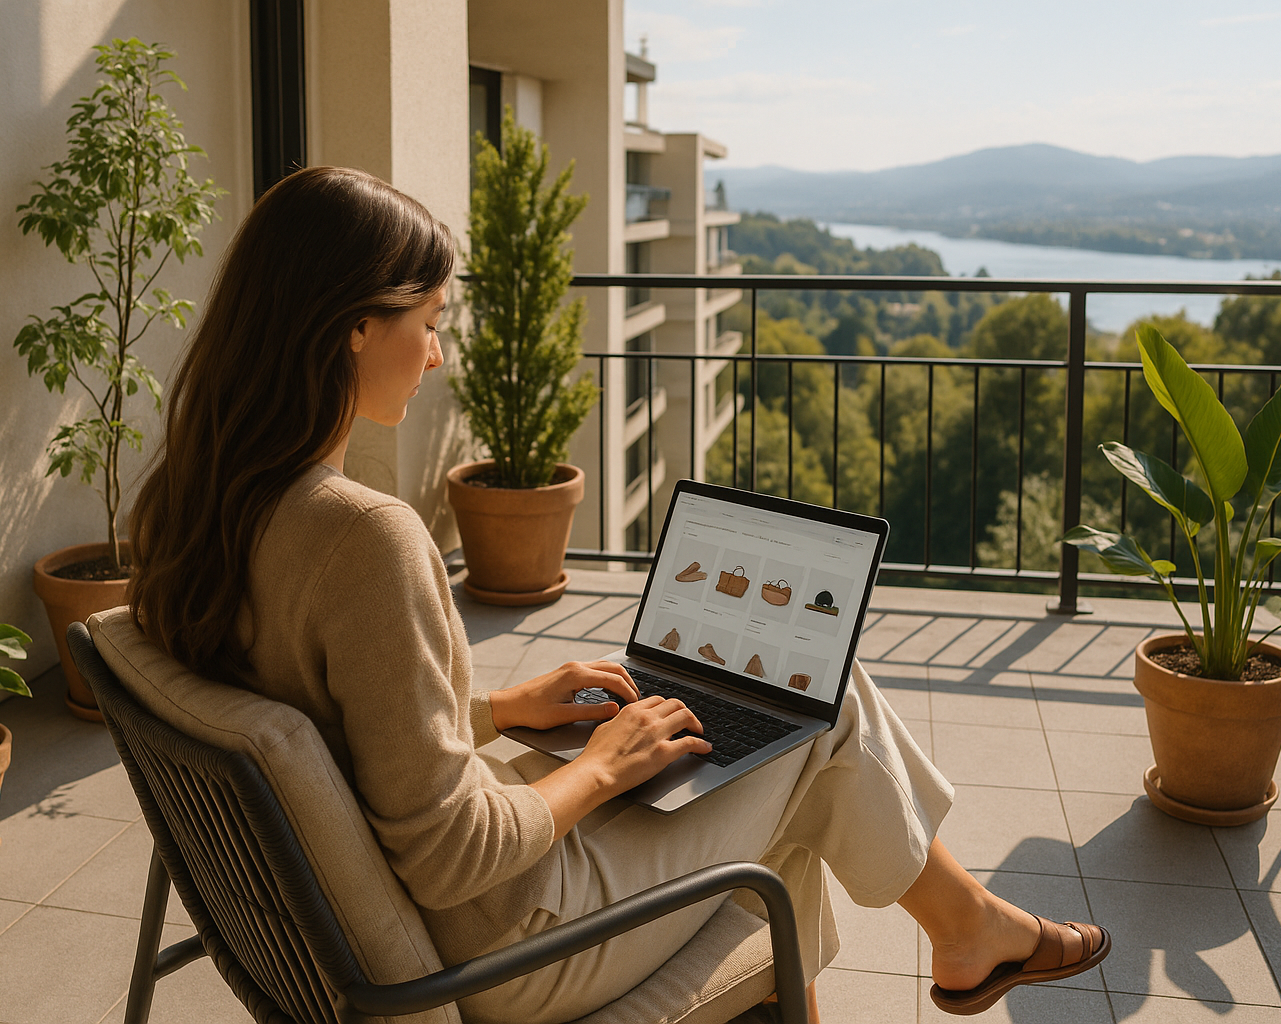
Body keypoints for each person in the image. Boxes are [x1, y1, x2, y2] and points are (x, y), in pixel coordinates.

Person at [128, 166, 1109, 1021]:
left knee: (795, 800)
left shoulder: (193, 507)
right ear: (351, 327)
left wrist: (500, 706)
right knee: (821, 706)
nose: (436, 354)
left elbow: (329, 720)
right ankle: (974, 931)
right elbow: (450, 855)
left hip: (389, 922)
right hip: (510, 943)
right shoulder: (363, 539)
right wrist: (604, 764)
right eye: (427, 323)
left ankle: (969, 931)